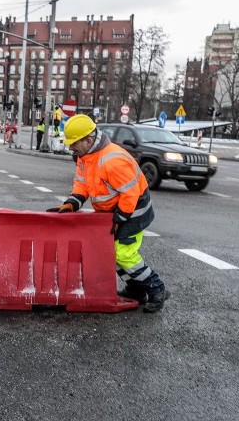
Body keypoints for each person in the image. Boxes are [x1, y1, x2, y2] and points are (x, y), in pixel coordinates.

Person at [46, 115, 169, 313]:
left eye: (73, 143)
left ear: (88, 139)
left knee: (123, 253)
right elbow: (82, 183)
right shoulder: (85, 157)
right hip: (115, 210)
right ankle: (137, 289)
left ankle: (156, 288)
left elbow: (130, 193)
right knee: (111, 252)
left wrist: (120, 217)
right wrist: (72, 203)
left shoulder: (112, 160)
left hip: (133, 211)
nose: (70, 148)